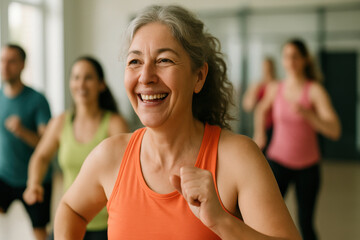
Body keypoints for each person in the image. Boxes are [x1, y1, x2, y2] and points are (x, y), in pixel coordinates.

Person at [54, 5, 301, 240]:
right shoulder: (110, 156)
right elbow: (70, 209)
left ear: (199, 77)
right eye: (135, 61)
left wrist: (222, 222)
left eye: (164, 60)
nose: (146, 76)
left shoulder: (237, 157)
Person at [23, 56, 128, 240]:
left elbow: (130, 172)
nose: (81, 84)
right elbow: (40, 157)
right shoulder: (60, 122)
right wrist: (34, 184)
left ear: (101, 84)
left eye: (88, 78)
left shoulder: (114, 124)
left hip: (107, 224)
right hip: (69, 218)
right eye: (76, 77)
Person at [253, 39, 341, 240]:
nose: (290, 61)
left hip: (307, 167)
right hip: (277, 162)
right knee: (267, 219)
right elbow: (260, 109)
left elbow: (334, 130)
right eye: (286, 56)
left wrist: (309, 115)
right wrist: (259, 134)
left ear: (304, 60)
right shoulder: (277, 88)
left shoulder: (315, 91)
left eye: (295, 56)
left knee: (305, 223)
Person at [0, 44, 52, 240]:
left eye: (11, 61)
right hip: (4, 175)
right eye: (2, 60)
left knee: (39, 232)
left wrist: (22, 131)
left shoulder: (37, 100)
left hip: (34, 180)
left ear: (22, 65)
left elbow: (46, 144)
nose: (5, 66)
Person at [242, 57, 277, 152]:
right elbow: (247, 106)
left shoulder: (277, 85)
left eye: (268, 67)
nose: (266, 70)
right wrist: (254, 93)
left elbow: (263, 108)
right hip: (260, 125)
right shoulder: (257, 85)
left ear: (273, 68)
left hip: (275, 126)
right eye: (264, 67)